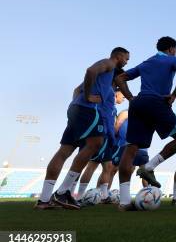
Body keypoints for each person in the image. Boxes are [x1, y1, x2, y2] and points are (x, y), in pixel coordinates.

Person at [35, 47, 130, 210]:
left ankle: (44, 199)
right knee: (95, 144)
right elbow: (90, 70)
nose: (127, 61)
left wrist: (77, 102)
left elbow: (75, 90)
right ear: (119, 56)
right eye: (126, 58)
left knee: (64, 151)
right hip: (87, 110)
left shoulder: (104, 81)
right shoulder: (108, 63)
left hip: (77, 109)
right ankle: (63, 192)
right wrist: (87, 98)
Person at [115, 37, 176, 210]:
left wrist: (130, 98)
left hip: (138, 103)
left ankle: (124, 202)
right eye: (175, 50)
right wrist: (174, 95)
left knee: (131, 148)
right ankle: (149, 167)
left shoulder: (146, 62)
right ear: (171, 49)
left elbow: (120, 78)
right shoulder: (173, 60)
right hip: (157, 103)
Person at [76, 87, 126, 202]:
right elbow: (106, 120)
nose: (123, 98)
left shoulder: (113, 107)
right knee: (92, 166)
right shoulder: (107, 104)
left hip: (108, 139)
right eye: (122, 96)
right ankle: (79, 195)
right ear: (116, 95)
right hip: (102, 136)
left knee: (107, 167)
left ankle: (104, 196)